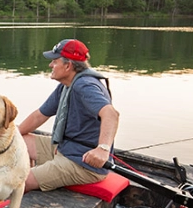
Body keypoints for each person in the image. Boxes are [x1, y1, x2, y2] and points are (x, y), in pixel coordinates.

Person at [17, 38, 119, 193]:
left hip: (82, 163)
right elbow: (39, 115)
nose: (51, 65)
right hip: (65, 148)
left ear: (68, 65)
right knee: (14, 141)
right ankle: (33, 172)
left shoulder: (84, 85)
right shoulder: (66, 85)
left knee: (17, 182)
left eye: (54, 61)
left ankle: (24, 183)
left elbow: (111, 114)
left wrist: (103, 149)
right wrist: (14, 134)